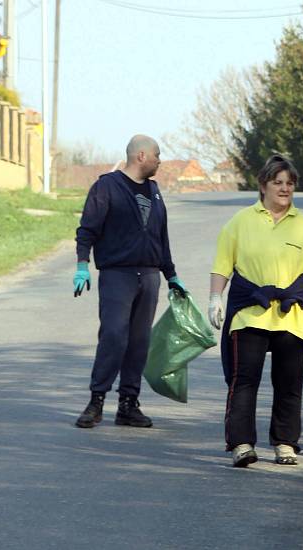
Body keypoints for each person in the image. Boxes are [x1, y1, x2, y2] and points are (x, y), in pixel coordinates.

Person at [208, 154, 303, 468]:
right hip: (248, 313)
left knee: (289, 382)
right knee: (243, 381)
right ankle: (241, 443)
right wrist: (215, 298)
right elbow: (222, 266)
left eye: (289, 184)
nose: (284, 189)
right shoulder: (240, 222)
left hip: (291, 316)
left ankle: (285, 443)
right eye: (277, 182)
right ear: (263, 186)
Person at [73, 134, 187, 429]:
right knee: (113, 336)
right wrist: (82, 265)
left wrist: (171, 274)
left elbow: (162, 237)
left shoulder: (155, 191)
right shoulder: (106, 187)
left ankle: (128, 405)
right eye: (157, 155)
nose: (160, 161)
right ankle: (96, 400)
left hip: (148, 276)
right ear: (141, 156)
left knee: (139, 342)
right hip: (117, 275)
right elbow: (87, 229)